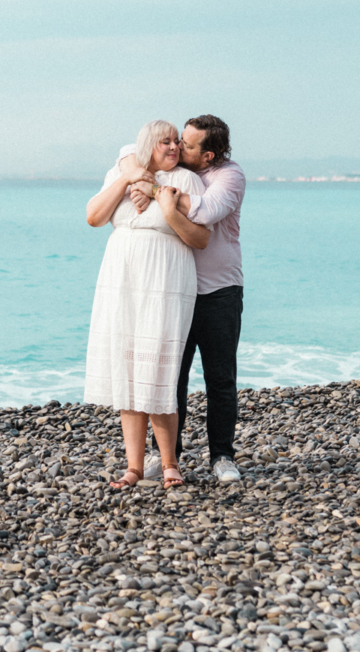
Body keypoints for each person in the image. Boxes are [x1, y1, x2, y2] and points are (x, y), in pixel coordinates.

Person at [115, 115, 246, 484]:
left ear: (207, 156)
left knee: (220, 378)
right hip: (173, 291)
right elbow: (129, 151)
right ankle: (168, 458)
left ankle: (222, 456)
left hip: (219, 290)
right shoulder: (171, 170)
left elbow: (205, 212)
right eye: (177, 141)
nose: (177, 148)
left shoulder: (229, 177)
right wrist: (140, 175)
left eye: (187, 145)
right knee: (171, 377)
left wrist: (152, 188)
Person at [83, 120, 211, 490]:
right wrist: (127, 181)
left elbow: (202, 235)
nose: (173, 147)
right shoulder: (121, 172)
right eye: (164, 142)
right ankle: (134, 467)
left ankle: (170, 462)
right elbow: (94, 217)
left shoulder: (186, 181)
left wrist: (155, 192)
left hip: (165, 281)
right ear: (146, 145)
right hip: (121, 280)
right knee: (128, 368)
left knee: (158, 368)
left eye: (176, 142)